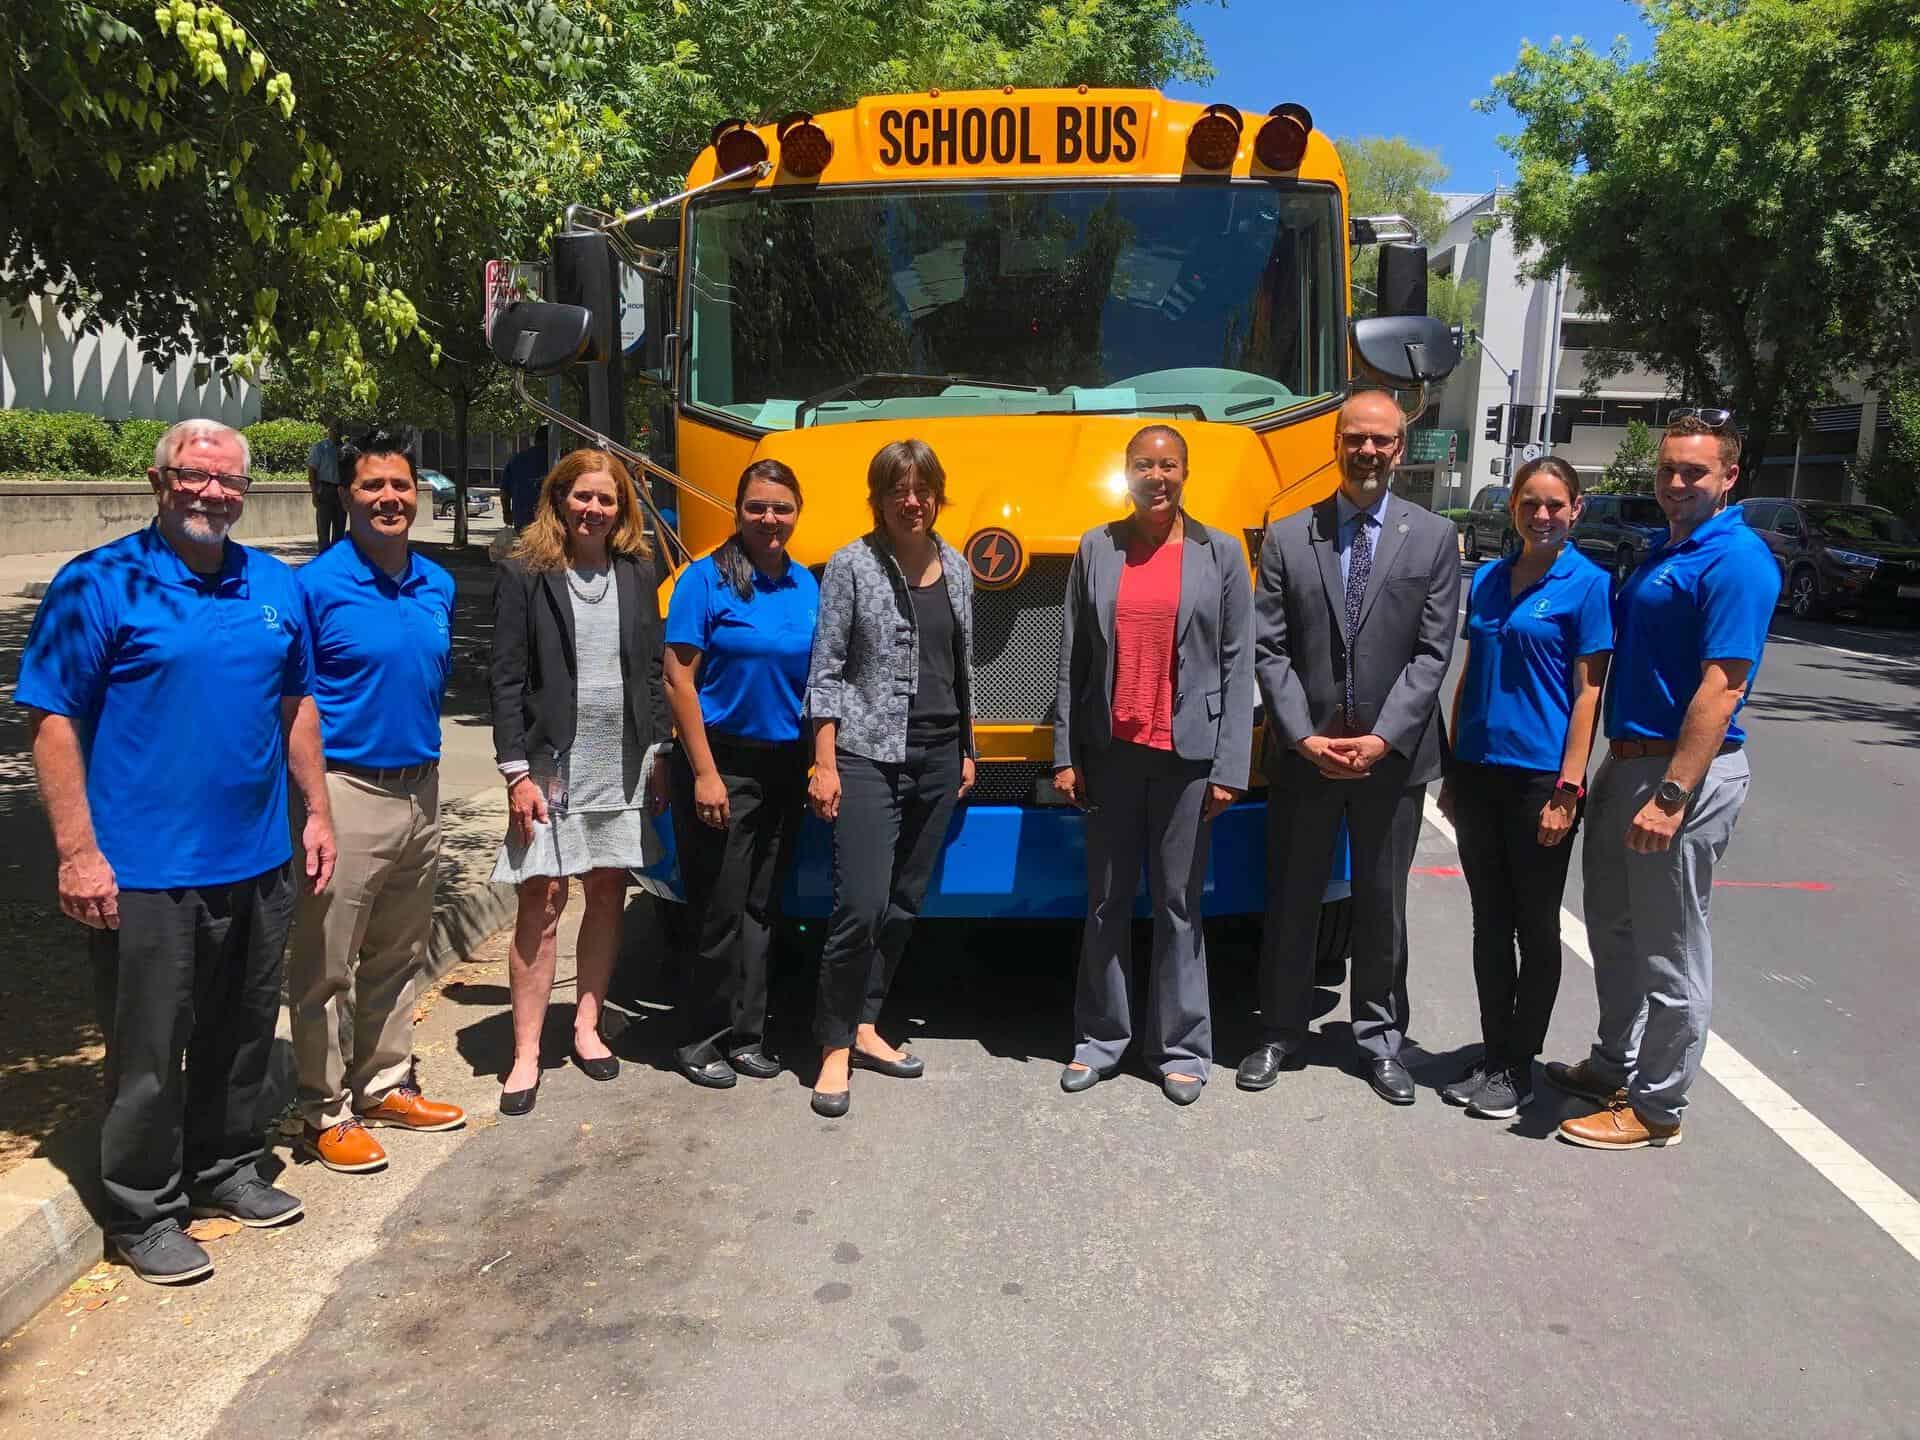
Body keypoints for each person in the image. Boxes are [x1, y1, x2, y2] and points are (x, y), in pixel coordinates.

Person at [14, 419, 336, 1284]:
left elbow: (297, 702)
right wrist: (77, 853)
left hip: (259, 857)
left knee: (238, 1033)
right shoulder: (100, 584)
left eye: (227, 480)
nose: (211, 493)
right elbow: (50, 720)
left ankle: (225, 1167)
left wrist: (317, 812)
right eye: (194, 476)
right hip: (147, 869)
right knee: (150, 1050)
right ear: (159, 482)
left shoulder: (275, 584)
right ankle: (143, 1210)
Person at [1550, 411, 1775, 1150]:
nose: (1677, 483)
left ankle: (1657, 1107)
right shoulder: (1661, 549)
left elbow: (1722, 685)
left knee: (1672, 945)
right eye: (1668, 469)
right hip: (1631, 760)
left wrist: (1674, 794)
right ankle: (1615, 1064)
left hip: (1681, 776)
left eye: (1695, 472)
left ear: (1729, 477)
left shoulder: (1736, 559)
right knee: (1613, 926)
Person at [1243, 387, 1459, 1105]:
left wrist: (1380, 737)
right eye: (1355, 438)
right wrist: (1301, 735)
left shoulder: (1432, 538)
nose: (1367, 450)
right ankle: (1278, 1032)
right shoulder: (1288, 534)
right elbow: (1267, 647)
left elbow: (1432, 654)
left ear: (1401, 448)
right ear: (1335, 444)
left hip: (1390, 759)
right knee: (1294, 897)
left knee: (1379, 902)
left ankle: (1379, 1038)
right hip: (1305, 760)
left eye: (1381, 440)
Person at [1051, 426, 1253, 1105]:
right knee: (1106, 902)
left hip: (1185, 757)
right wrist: (1065, 754)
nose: (1156, 476)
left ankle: (1182, 1048)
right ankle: (1100, 1039)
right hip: (1111, 754)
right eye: (1144, 464)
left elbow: (1237, 660)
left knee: (1177, 905)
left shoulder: (1220, 552)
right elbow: (1073, 658)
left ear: (1185, 472)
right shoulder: (1096, 547)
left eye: (1168, 465)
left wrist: (1230, 765)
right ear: (1127, 473)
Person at [290, 428, 466, 1174]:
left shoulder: (437, 583)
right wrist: (314, 809)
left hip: (420, 791)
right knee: (328, 961)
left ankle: (385, 1081)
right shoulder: (314, 586)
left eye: (401, 486)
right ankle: (323, 1109)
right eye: (373, 487)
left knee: (398, 952)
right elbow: (292, 701)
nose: (390, 499)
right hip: (346, 790)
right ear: (346, 496)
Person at [489, 449, 671, 1115]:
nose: (594, 509)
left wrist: (659, 754)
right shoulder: (524, 568)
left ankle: (587, 1026)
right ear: (559, 499)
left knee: (606, 890)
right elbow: (505, 677)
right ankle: (526, 1052)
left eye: (608, 499)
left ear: (622, 508)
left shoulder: (636, 569)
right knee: (541, 901)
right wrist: (515, 771)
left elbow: (651, 668)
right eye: (582, 496)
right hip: (550, 766)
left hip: (619, 759)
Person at [1436, 457, 1612, 1120]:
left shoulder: (1588, 585)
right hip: (1479, 773)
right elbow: (1469, 675)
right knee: (1490, 921)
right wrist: (1453, 770)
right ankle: (1494, 1050)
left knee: (1535, 926)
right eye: (1530, 503)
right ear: (1513, 507)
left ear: (1576, 510)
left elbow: (1588, 691)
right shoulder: (1486, 579)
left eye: (1555, 505)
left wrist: (1569, 788)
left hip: (1541, 777)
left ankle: (1519, 1066)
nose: (1542, 516)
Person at [805, 439, 976, 1119]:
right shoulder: (850, 565)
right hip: (867, 755)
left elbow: (963, 668)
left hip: (938, 756)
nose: (913, 501)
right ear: (877, 498)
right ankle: (833, 1048)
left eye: (924, 489)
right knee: (861, 906)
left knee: (905, 903)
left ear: (938, 495)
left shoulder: (958, 567)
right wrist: (823, 761)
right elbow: (826, 670)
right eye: (898, 490)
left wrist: (967, 746)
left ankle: (869, 1024)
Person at [662, 460, 818, 1088]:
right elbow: (678, 678)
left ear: (796, 512)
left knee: (760, 907)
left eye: (781, 507)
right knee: (718, 909)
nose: (769, 519)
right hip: (720, 762)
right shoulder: (705, 580)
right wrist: (704, 771)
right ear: (737, 510)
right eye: (757, 506)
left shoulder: (807, 586)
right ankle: (701, 1037)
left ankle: (748, 1037)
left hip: (784, 764)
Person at [502, 425, 550, 533]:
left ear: (536, 440)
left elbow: (504, 492)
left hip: (522, 519)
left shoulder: (516, 459)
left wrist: (506, 513)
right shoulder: (558, 458)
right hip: (549, 519)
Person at [308, 417, 347, 549]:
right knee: (324, 531)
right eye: (335, 428)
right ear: (329, 429)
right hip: (325, 491)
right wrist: (314, 493)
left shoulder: (347, 449)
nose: (337, 431)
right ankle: (323, 562)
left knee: (339, 531)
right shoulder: (320, 447)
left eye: (340, 428)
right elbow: (312, 470)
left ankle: (336, 562)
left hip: (342, 493)